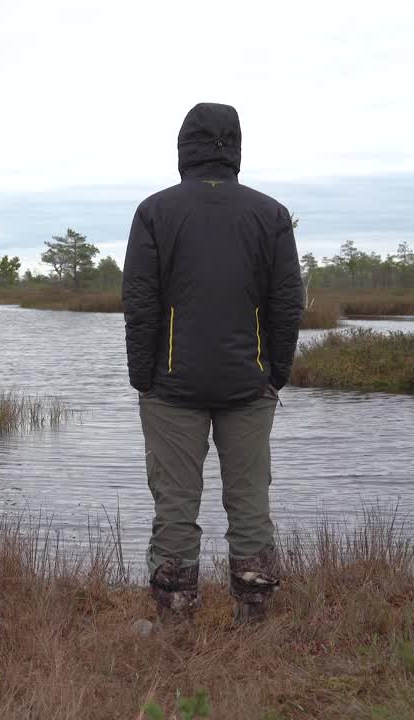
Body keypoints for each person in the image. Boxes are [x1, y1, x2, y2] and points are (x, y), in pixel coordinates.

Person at [122, 102, 304, 625]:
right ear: (236, 148)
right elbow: (287, 305)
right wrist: (274, 375)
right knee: (250, 505)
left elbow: (140, 304)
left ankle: (176, 619)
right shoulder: (269, 214)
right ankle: (253, 618)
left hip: (172, 390)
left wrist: (145, 379)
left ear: (185, 147)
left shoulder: (155, 211)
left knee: (175, 507)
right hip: (248, 388)